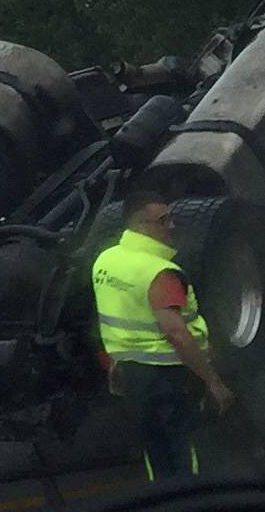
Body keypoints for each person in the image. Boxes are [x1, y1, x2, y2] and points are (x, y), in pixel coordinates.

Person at [92, 177, 234, 480]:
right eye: (163, 220)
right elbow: (177, 334)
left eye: (171, 218)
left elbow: (115, 312)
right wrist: (213, 382)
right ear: (141, 225)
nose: (171, 226)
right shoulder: (160, 273)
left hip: (132, 375)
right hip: (168, 377)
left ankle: (165, 498)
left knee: (155, 446)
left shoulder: (106, 260)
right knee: (183, 445)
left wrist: (117, 363)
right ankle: (192, 504)